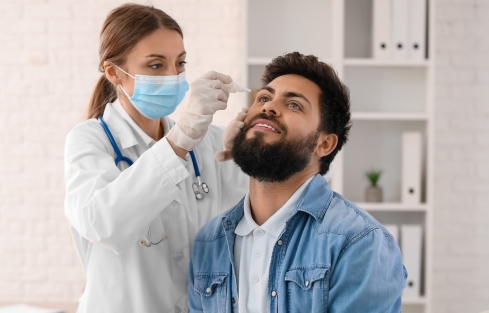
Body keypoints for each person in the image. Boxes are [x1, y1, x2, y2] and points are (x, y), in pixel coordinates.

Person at [63, 4, 250, 312]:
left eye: (180, 63)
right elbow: (103, 224)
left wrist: (254, 155)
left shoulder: (208, 143)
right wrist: (180, 140)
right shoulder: (90, 140)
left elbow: (253, 224)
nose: (173, 76)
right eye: (155, 65)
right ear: (113, 72)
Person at [188, 52, 407, 313]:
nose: (267, 107)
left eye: (294, 105)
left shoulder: (359, 243)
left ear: (324, 143)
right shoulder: (209, 241)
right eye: (264, 98)